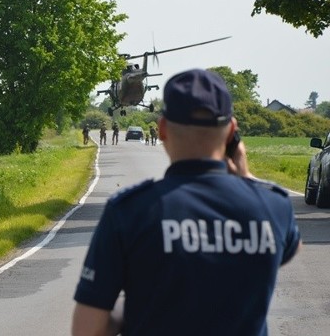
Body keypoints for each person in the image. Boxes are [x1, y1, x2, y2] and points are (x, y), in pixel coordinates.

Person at [72, 68, 301, 336]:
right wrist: (247, 179)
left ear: (162, 129)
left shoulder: (129, 211)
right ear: (232, 132)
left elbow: (88, 330)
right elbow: (290, 248)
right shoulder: (274, 207)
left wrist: (128, 311)